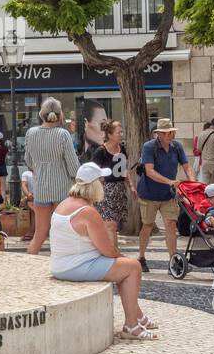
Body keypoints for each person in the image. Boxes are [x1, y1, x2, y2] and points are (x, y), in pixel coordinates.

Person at [49, 162, 158, 341]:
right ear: (93, 185)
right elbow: (107, 250)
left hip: (61, 264)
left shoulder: (64, 204)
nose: (104, 185)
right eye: (101, 181)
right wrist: (122, 258)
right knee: (132, 268)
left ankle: (138, 316)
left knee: (124, 268)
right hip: (76, 266)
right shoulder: (87, 212)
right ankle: (131, 325)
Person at [24, 98, 80, 255]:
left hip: (40, 188)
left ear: (41, 115)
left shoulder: (31, 133)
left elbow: (28, 160)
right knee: (63, 232)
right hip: (62, 189)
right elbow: (73, 166)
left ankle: (27, 265)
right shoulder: (63, 135)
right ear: (60, 115)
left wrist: (39, 168)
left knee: (39, 234)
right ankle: (61, 264)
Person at [136, 118, 192, 273]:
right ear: (159, 134)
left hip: (168, 195)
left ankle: (173, 260)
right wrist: (170, 182)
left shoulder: (177, 146)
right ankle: (141, 257)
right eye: (167, 132)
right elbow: (149, 171)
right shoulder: (149, 147)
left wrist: (193, 182)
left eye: (172, 131)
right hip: (149, 194)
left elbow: (187, 166)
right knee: (147, 225)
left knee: (171, 225)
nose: (171, 134)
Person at [87, 119, 128, 241]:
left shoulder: (122, 149)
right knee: (110, 225)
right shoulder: (101, 151)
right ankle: (113, 253)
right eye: (118, 132)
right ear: (109, 135)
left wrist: (130, 186)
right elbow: (92, 170)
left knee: (114, 226)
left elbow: (125, 169)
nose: (121, 135)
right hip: (106, 191)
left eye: (121, 132)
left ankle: (111, 252)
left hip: (119, 190)